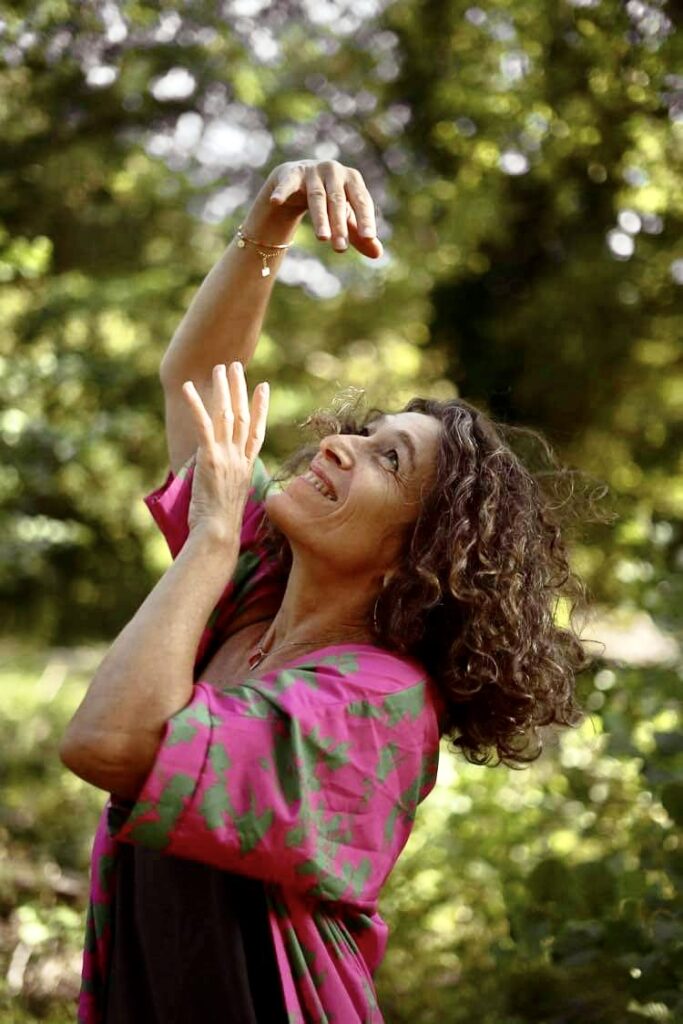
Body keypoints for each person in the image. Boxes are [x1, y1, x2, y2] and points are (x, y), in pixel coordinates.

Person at [60, 159, 589, 1024]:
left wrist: (211, 537)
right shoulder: (258, 586)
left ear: (421, 556)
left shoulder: (380, 704)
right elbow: (197, 378)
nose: (341, 445)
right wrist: (269, 225)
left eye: (389, 460)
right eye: (365, 431)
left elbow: (108, 743)